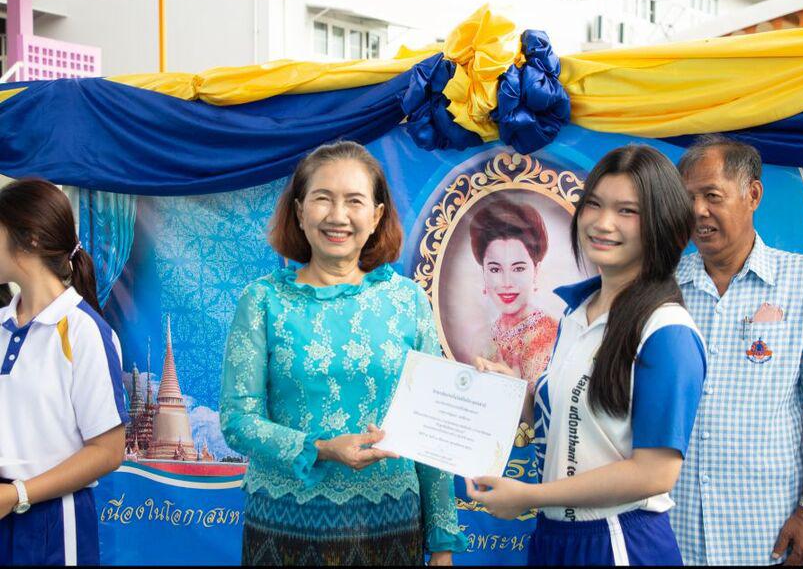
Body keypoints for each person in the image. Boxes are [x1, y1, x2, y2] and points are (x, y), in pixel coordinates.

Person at [220, 141, 466, 566]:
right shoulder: (262, 300)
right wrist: (321, 447)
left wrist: (442, 543)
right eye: (322, 199)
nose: (338, 216)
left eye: (354, 201)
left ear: (377, 215)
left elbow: (430, 427)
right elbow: (237, 420)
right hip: (285, 527)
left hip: (390, 527)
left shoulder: (407, 301)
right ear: (300, 212)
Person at [466, 144, 707, 565]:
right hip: (555, 536)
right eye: (594, 204)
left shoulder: (666, 331)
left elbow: (655, 472)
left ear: (662, 223)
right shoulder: (576, 314)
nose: (602, 223)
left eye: (627, 211)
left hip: (617, 540)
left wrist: (531, 496)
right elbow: (576, 426)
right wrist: (517, 396)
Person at [670, 134, 803, 566]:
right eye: (688, 198)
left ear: (753, 195)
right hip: (672, 528)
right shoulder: (663, 286)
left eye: (712, 196)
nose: (698, 211)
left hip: (765, 532)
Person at [0, 178, 128, 565]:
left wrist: (18, 494)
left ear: (30, 239)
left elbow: (108, 451)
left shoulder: (83, 331)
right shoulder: (2, 325)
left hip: (54, 524)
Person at [468, 196, 559, 392]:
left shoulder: (554, 336)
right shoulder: (481, 339)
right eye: (495, 269)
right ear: (483, 272)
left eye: (518, 268)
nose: (507, 283)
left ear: (536, 271)